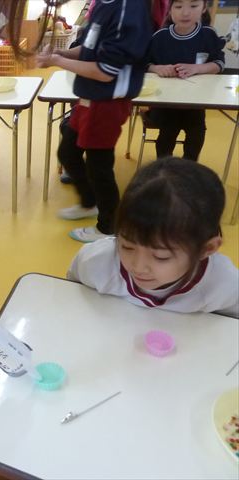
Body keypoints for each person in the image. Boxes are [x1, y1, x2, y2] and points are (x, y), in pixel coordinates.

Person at [36, 0, 153, 244]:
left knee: (99, 166)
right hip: (89, 97)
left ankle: (108, 226)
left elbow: (105, 71)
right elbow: (90, 49)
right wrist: (62, 53)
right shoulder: (103, 4)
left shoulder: (128, 9)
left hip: (107, 102)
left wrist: (57, 61)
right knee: (68, 152)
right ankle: (89, 202)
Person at [67, 157, 239, 318]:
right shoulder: (96, 262)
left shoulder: (224, 284)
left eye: (161, 256)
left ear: (206, 249)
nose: (138, 267)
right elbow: (70, 295)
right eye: (127, 246)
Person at [145, 0, 225, 162]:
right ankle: (164, 167)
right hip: (165, 103)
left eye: (193, 6)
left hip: (195, 102)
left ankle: (189, 166)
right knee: (167, 134)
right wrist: (157, 68)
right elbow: (144, 64)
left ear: (204, 8)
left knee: (197, 134)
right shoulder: (160, 37)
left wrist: (197, 68)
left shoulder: (208, 35)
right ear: (169, 9)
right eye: (179, 6)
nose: (185, 13)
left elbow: (219, 63)